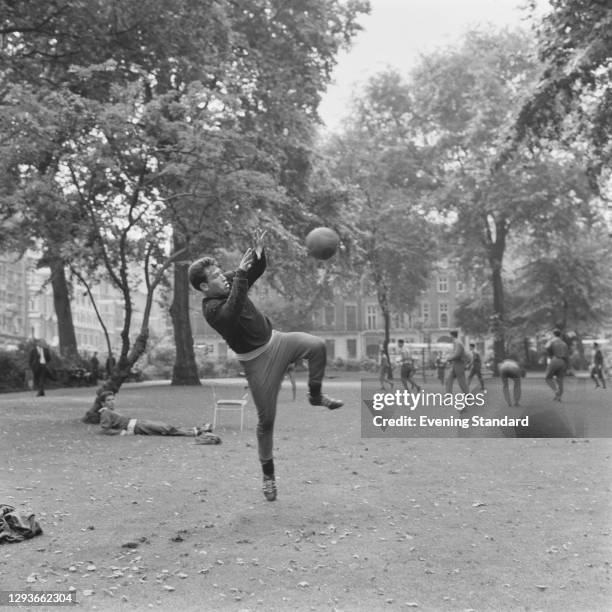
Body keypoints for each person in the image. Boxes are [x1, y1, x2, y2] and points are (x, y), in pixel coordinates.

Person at [188, 229, 342, 502]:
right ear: (203, 287)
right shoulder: (211, 309)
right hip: (257, 363)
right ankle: (268, 476)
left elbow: (255, 270)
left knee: (317, 346)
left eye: (221, 272)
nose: (222, 276)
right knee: (266, 422)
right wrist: (240, 276)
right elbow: (232, 312)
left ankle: (316, 396)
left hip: (278, 342)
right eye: (214, 276)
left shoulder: (231, 282)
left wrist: (259, 254)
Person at [98, 391, 219, 440]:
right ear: (103, 402)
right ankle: (197, 432)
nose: (112, 402)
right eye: (108, 400)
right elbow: (105, 429)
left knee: (166, 426)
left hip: (139, 422)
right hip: (137, 427)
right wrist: (120, 433)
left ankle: (198, 429)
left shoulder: (110, 411)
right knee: (165, 429)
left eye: (113, 399)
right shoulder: (105, 412)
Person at [544, 328, 569, 401]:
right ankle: (559, 397)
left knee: (548, 378)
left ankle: (556, 391)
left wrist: (550, 354)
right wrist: (568, 366)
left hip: (555, 360)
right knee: (560, 380)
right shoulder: (564, 343)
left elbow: (547, 347)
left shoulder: (552, 341)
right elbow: (567, 356)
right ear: (560, 335)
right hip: (563, 361)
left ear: (553, 334)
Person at [445, 330, 469, 395]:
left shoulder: (458, 343)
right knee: (448, 380)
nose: (449, 337)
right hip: (455, 364)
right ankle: (448, 397)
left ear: (452, 335)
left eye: (450, 336)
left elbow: (457, 354)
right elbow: (455, 354)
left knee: (462, 382)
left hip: (459, 364)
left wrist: (449, 358)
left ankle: (468, 397)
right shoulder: (456, 342)